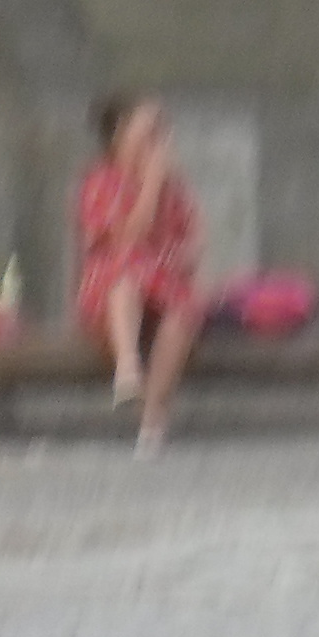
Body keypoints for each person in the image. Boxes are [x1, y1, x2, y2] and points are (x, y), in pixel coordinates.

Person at [73, 92, 203, 454]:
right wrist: (150, 186)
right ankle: (128, 366)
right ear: (121, 136)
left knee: (184, 310)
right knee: (127, 272)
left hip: (164, 292)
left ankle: (153, 419)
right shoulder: (101, 181)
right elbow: (129, 237)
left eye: (163, 131)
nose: (158, 143)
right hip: (112, 298)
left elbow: (195, 239)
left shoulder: (174, 186)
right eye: (149, 133)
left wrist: (186, 254)